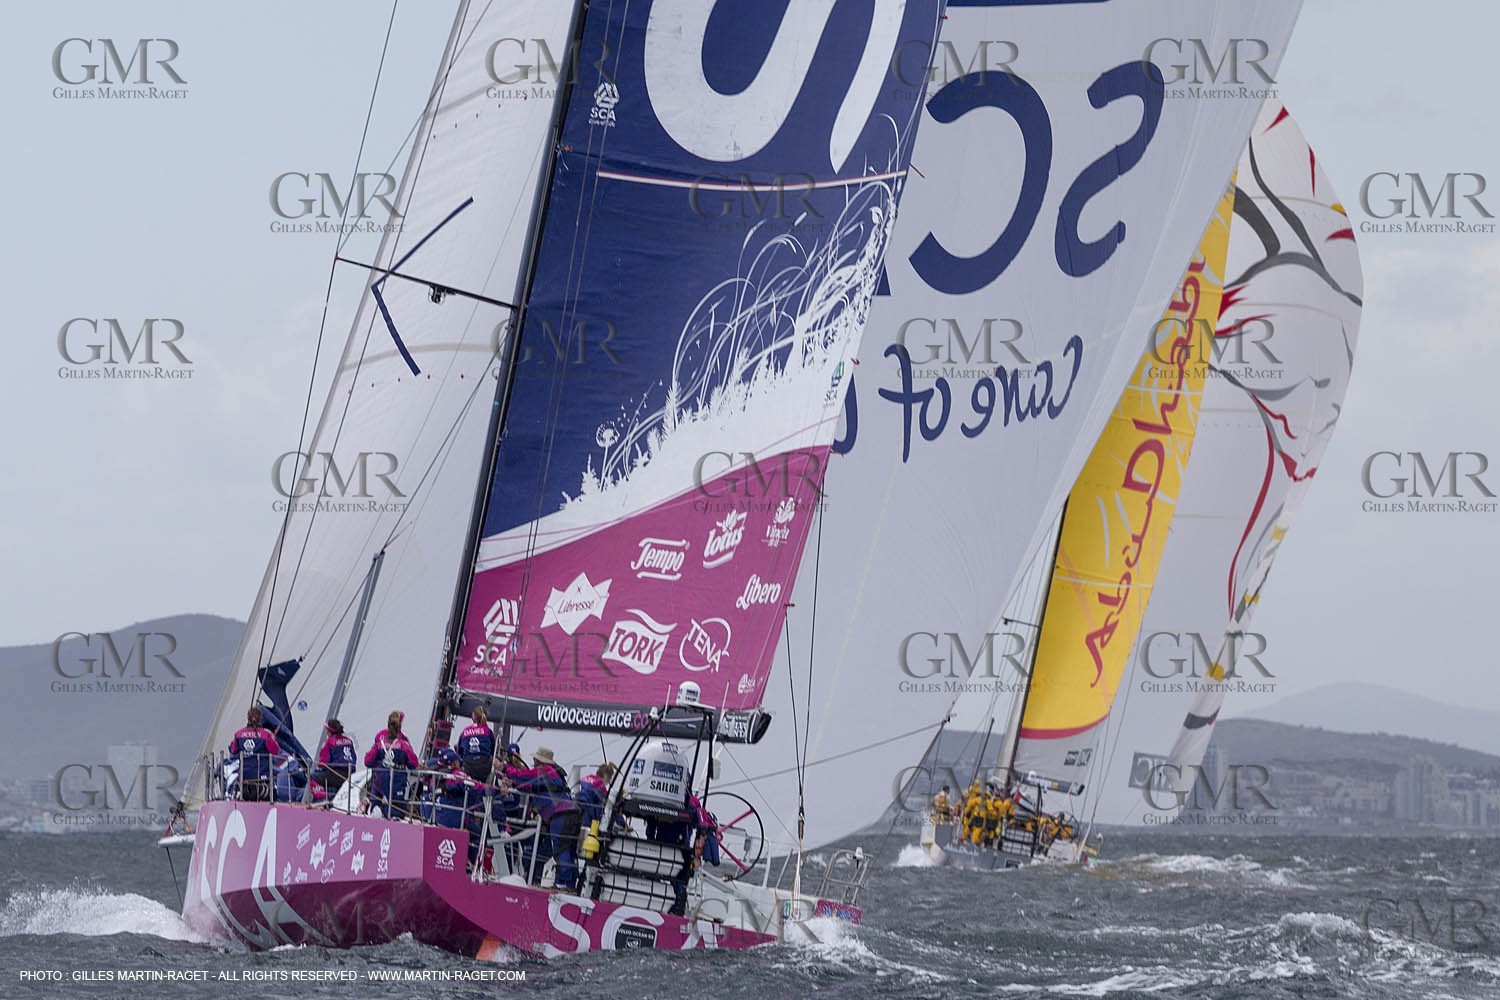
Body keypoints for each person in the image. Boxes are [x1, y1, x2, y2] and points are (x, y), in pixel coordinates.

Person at [504, 747, 581, 890]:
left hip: (561, 815)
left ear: (539, 761)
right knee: (566, 849)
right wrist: (513, 783)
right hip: (569, 814)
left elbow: (525, 776)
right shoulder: (552, 775)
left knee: (561, 849)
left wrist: (504, 768)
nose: (533, 762)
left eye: (535, 760)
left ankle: (564, 884)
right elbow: (530, 786)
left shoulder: (546, 771)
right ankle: (567, 882)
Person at [645, 792, 716, 916]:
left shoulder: (663, 797)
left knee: (656, 877)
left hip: (661, 846)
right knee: (679, 881)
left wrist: (651, 840)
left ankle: (653, 904)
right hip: (680, 848)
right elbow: (699, 823)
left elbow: (651, 823)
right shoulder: (692, 802)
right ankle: (676, 910)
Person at [364, 710, 418, 818]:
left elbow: (368, 761)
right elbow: (413, 763)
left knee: (375, 801)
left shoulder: (380, 741)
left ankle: (376, 811)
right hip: (396, 781)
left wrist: (380, 765)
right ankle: (384, 813)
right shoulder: (404, 744)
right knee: (397, 810)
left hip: (379, 777)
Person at [229, 706, 280, 803]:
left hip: (245, 779)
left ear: (248, 718)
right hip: (263, 779)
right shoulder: (265, 735)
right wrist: (273, 739)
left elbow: (233, 750)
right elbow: (275, 751)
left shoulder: (238, 734)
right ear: (260, 718)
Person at [315, 719, 356, 798]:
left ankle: (320, 799)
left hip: (336, 774)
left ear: (330, 732)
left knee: (312, 776)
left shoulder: (329, 742)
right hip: (351, 775)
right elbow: (354, 757)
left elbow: (323, 763)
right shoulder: (349, 741)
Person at [456, 707, 496, 783]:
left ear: (473, 716)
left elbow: (460, 752)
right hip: (484, 766)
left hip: (468, 766)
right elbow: (493, 751)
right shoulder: (488, 731)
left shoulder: (465, 731)